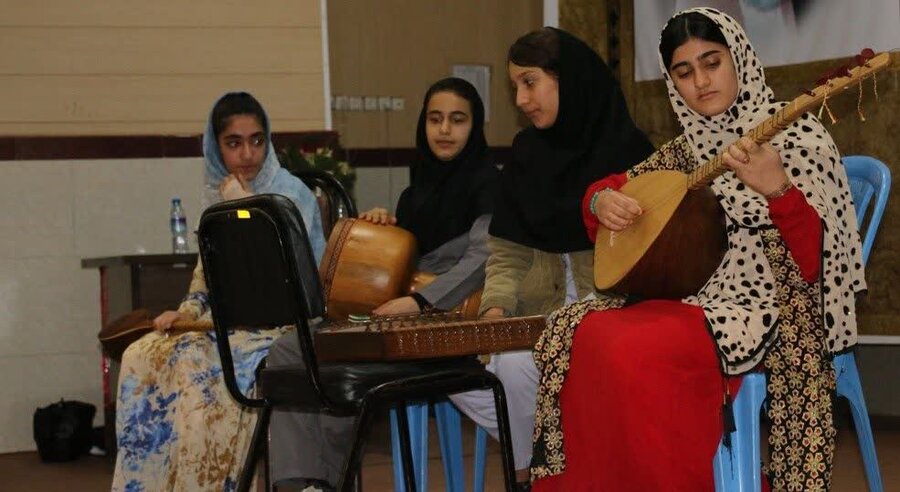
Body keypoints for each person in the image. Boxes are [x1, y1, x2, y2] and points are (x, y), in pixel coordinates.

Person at [530, 8, 865, 491]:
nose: (701, 82)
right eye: (684, 72)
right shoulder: (687, 151)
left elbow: (816, 266)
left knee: (632, 348)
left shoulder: (799, 136)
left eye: (712, 63)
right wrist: (601, 200)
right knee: (581, 331)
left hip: (774, 309)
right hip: (693, 301)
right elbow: (611, 188)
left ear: (740, 60)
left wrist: (779, 191)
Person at [266, 77, 499, 491]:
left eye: (457, 120)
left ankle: (325, 478)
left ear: (474, 126)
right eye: (435, 119)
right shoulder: (415, 193)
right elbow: (406, 260)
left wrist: (422, 302)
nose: (444, 130)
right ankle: (297, 482)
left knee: (338, 352)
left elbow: (483, 259)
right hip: (403, 312)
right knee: (290, 347)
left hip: (446, 320)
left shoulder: (489, 184)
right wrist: (385, 229)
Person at [447, 27, 655, 489]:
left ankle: (541, 468)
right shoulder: (526, 154)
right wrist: (496, 312)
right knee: (473, 373)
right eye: (515, 86)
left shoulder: (631, 152)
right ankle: (540, 470)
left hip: (608, 315)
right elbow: (506, 252)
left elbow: (649, 258)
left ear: (568, 79)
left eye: (530, 82)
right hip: (535, 314)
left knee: (527, 369)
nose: (520, 99)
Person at [112, 92, 326, 492]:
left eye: (257, 140)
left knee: (208, 368)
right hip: (230, 323)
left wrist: (246, 205)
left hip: (287, 322)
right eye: (234, 143)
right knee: (143, 354)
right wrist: (186, 312)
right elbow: (205, 274)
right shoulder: (216, 196)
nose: (248, 153)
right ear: (215, 147)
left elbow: (294, 277)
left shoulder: (289, 191)